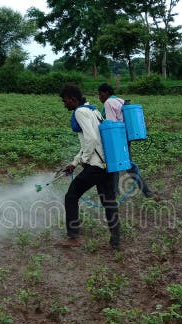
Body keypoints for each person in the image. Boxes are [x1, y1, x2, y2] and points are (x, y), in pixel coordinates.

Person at [55, 84, 121, 250]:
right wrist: (75, 162)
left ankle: (73, 237)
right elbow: (91, 140)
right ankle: (115, 239)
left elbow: (91, 139)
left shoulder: (79, 112)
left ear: (73, 99)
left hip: (96, 166)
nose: (64, 104)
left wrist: (84, 160)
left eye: (65, 101)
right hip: (107, 164)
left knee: (71, 196)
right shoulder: (93, 110)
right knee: (108, 201)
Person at [97, 83, 160, 200]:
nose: (99, 97)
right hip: (126, 137)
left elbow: (112, 124)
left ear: (106, 93)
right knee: (118, 166)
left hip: (118, 139)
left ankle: (145, 193)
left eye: (100, 94)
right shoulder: (119, 100)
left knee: (120, 166)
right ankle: (118, 193)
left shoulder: (108, 103)